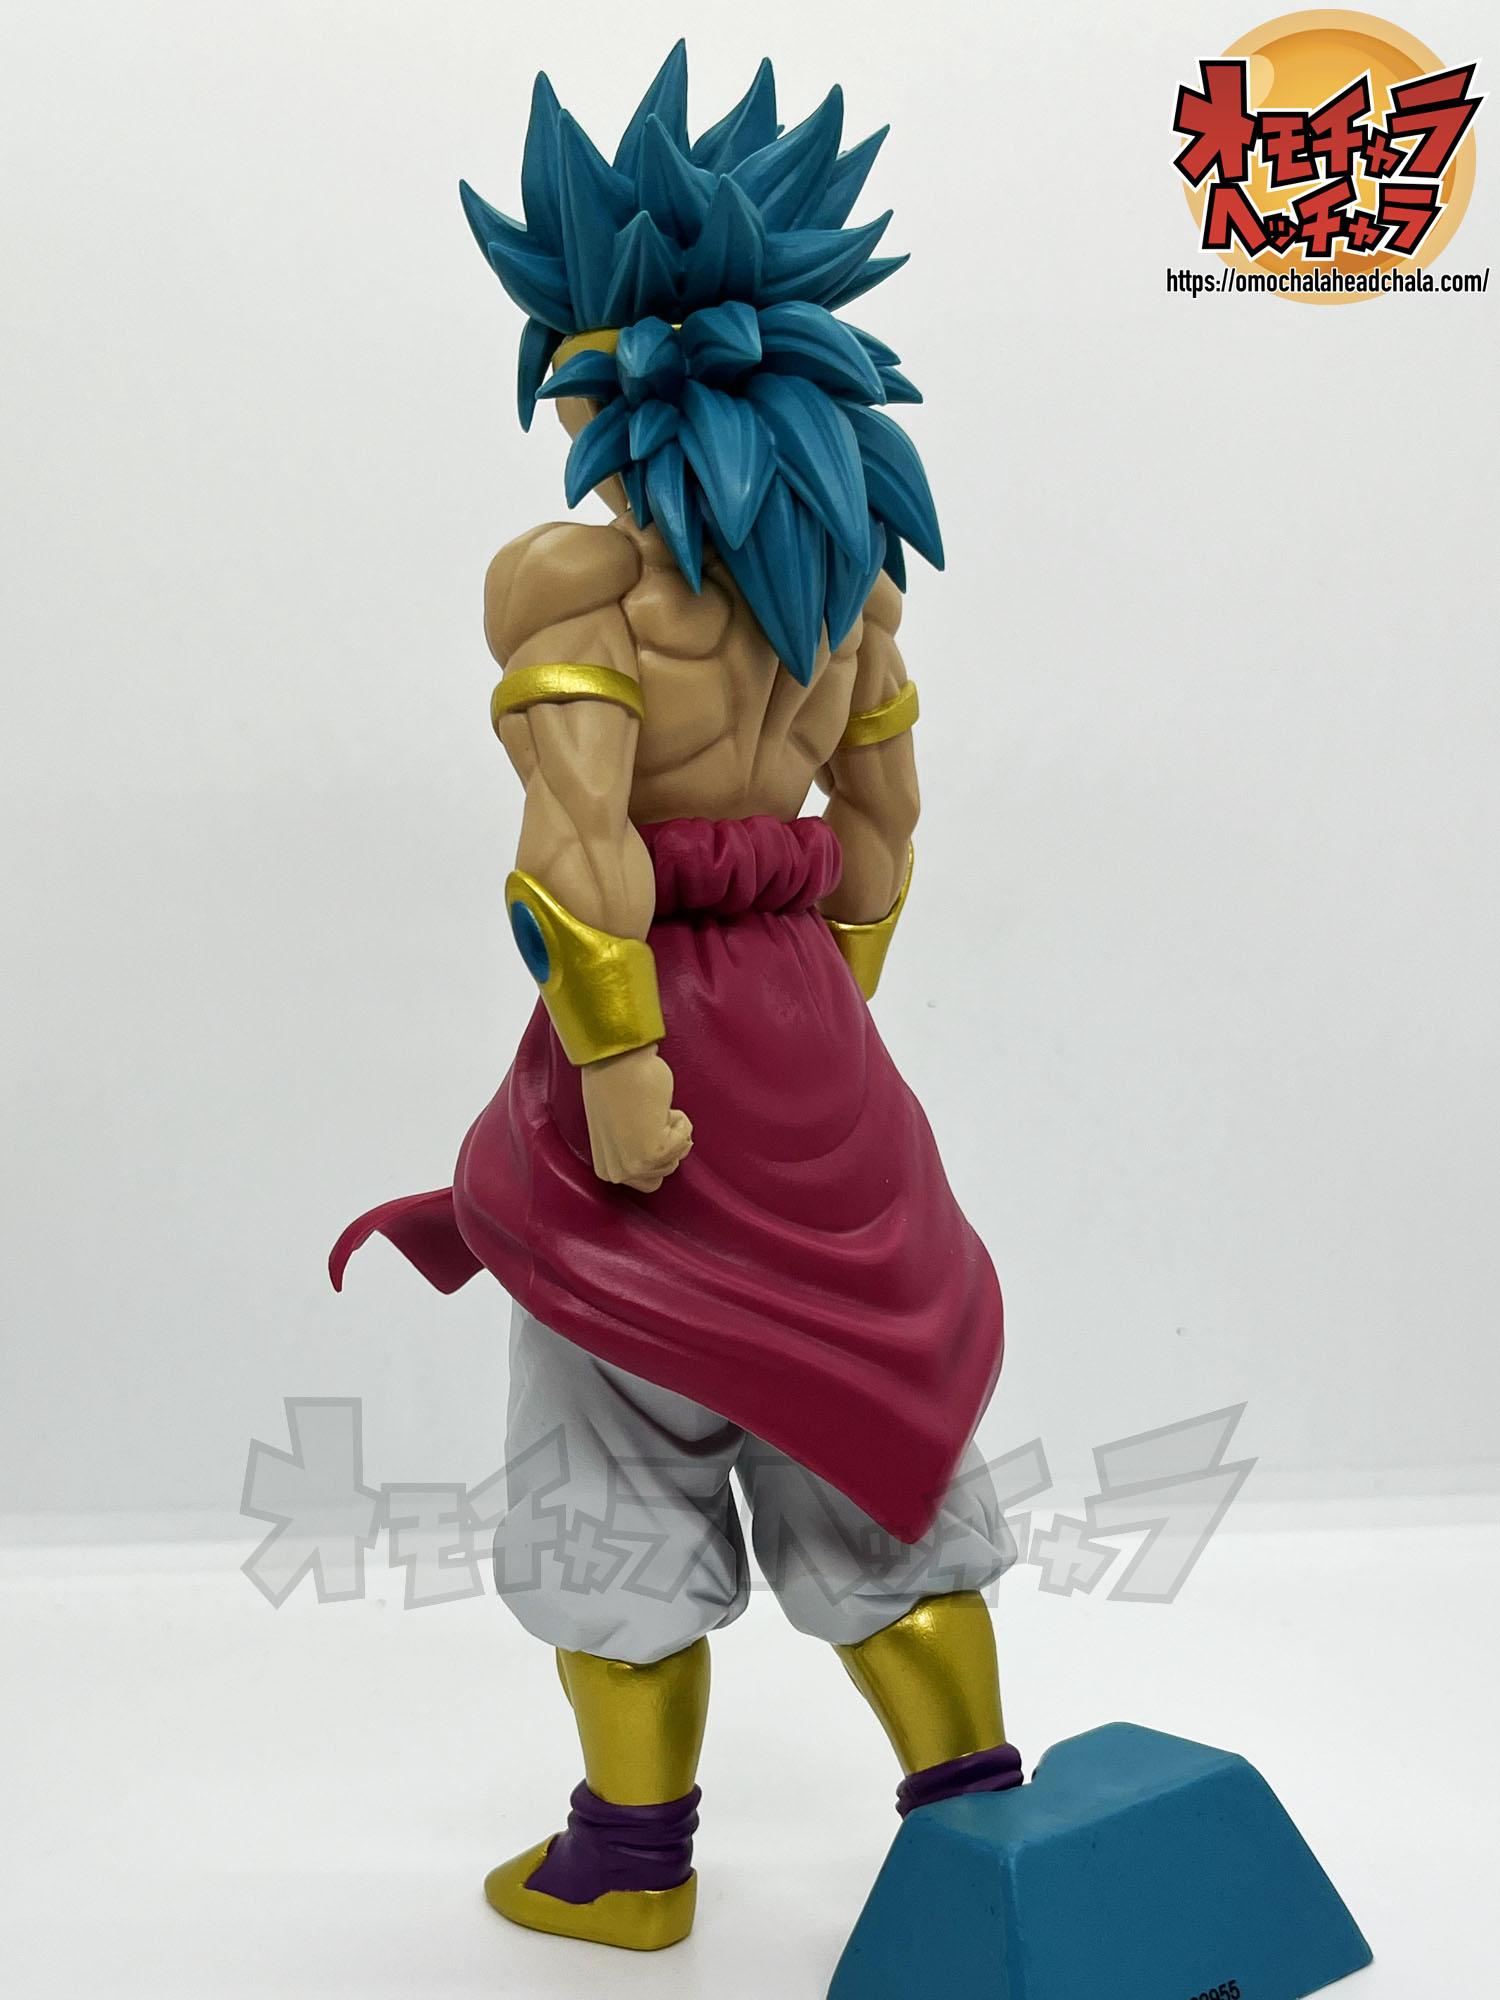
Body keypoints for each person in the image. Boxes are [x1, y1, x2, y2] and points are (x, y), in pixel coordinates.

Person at [331, 43, 1021, 1953]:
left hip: (636, 1066)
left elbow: (573, 855)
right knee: (868, 1433)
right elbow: (880, 836)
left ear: (620, 373)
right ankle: (984, 1843)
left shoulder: (581, 586)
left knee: (608, 1464)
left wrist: (628, 1070)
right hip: (814, 1060)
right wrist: (822, 1017)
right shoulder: (853, 597)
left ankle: (629, 1865)